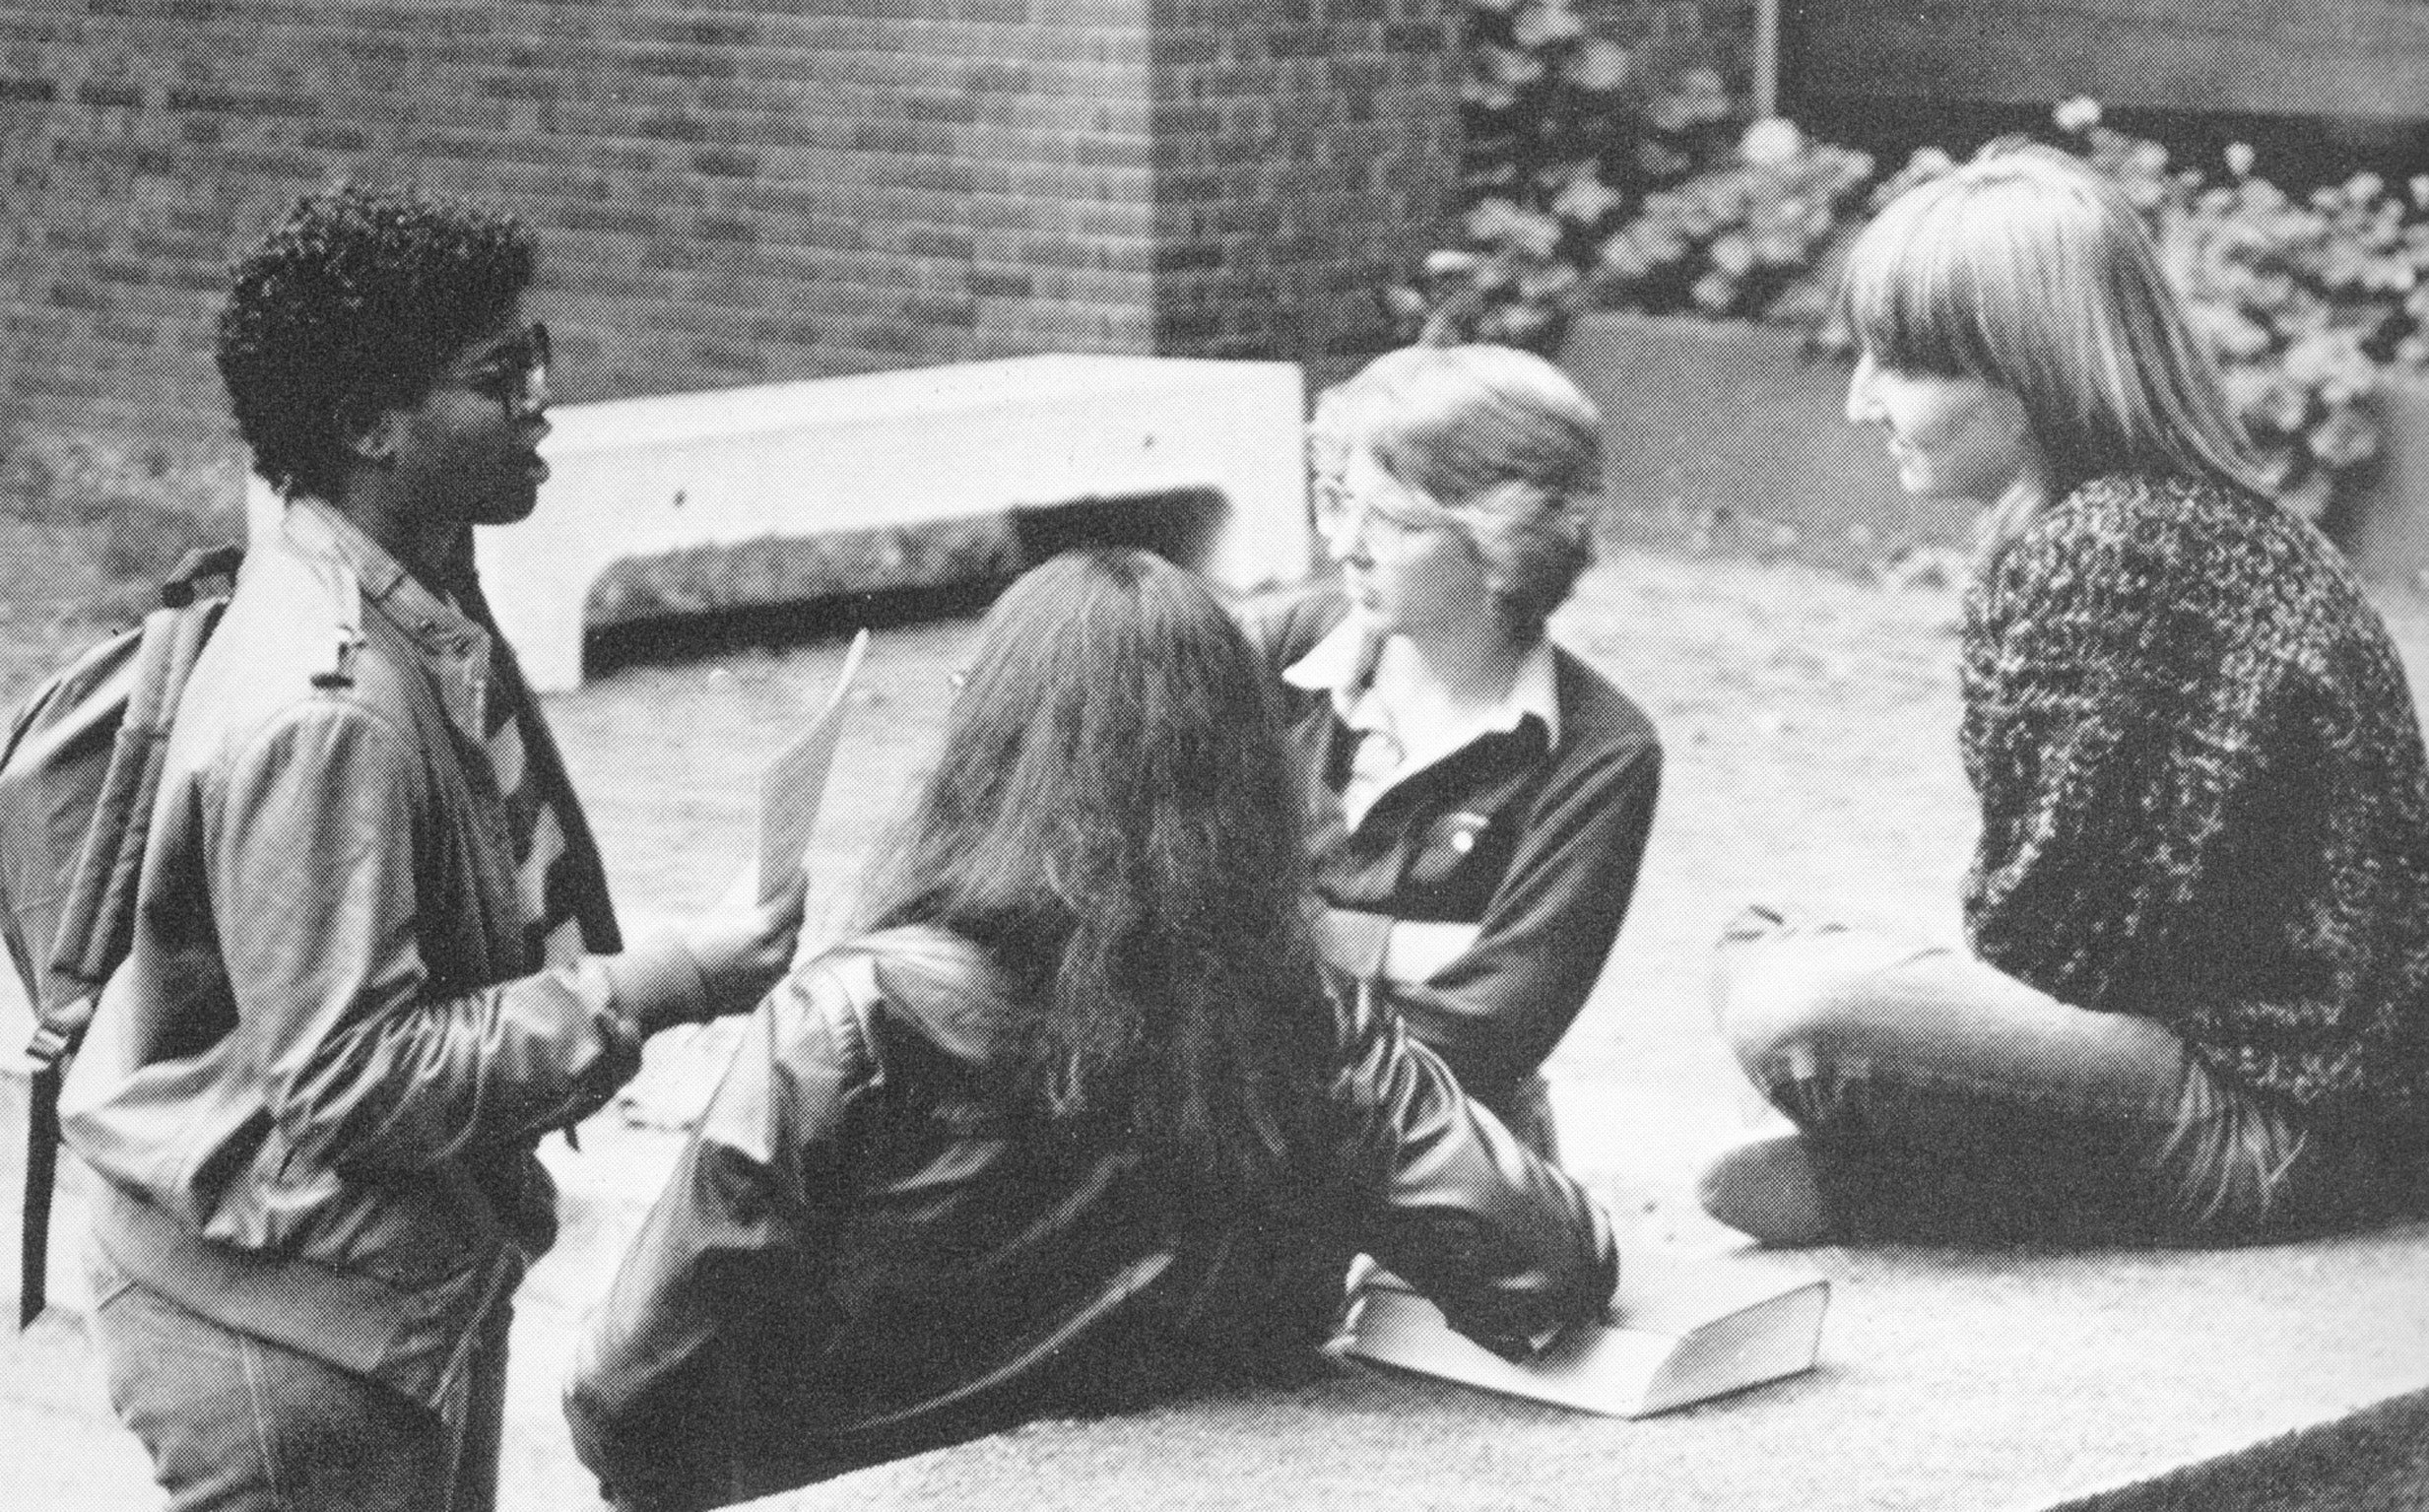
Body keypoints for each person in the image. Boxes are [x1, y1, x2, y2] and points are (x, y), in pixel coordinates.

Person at [565, 549, 1618, 1512]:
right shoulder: (1302, 1018)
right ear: (1241, 775)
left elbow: (628, 1391)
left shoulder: (851, 1020)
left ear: (989, 747)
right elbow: (1547, 1263)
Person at [59, 182, 804, 1512]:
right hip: (287, 1338)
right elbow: (351, 1080)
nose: (540, 398)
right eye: (496, 373)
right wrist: (669, 978)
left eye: (539, 356)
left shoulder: (414, 596)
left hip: (372, 1286)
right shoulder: (328, 712)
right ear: (369, 426)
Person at [1698, 142, 2429, 1247]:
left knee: (1799, 1008)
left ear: (2028, 374)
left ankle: (1909, 1181)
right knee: (1756, 936)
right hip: (2271, 1082)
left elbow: (2060, 955)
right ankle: (1932, 1175)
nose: (1861, 403)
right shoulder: (2137, 519)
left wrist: (1911, 1044)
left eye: (1899, 365)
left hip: (2285, 1119)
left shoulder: (2115, 549)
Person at [1239, 344, 1662, 1155]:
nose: (1344, 545)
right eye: (1337, 500)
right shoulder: (1277, 655)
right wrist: (1389, 949)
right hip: (1244, 1119)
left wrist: (1280, 940)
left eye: (1392, 521)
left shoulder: (1602, 751)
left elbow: (1495, 1026)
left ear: (1502, 542)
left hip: (1445, 1151)